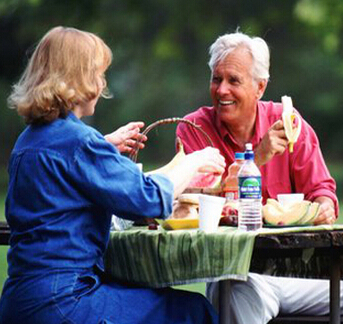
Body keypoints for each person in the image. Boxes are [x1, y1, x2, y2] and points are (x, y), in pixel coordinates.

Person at [0, 26, 226, 324]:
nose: (102, 82)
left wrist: (103, 146)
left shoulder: (27, 141)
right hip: (63, 302)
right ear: (79, 79)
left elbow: (60, 175)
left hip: (18, 301)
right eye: (98, 73)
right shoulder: (80, 142)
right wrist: (193, 161)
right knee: (193, 311)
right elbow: (149, 199)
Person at [176, 31, 343, 323]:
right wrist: (259, 157)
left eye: (233, 80)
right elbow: (191, 200)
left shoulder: (289, 125)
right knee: (235, 299)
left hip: (299, 275)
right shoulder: (194, 129)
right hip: (237, 274)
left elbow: (323, 192)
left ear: (260, 87)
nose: (222, 90)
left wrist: (324, 207)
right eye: (217, 79)